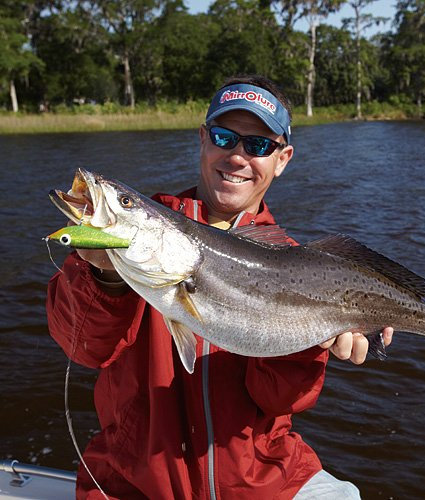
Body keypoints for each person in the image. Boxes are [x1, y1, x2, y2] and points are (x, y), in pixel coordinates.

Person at [47, 75, 393, 499]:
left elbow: (278, 399)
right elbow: (84, 349)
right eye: (224, 137)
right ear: (203, 139)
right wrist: (103, 277)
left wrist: (312, 340)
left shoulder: (293, 258)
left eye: (258, 145)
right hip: (135, 482)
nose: (237, 157)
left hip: (261, 483)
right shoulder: (126, 243)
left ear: (282, 159)